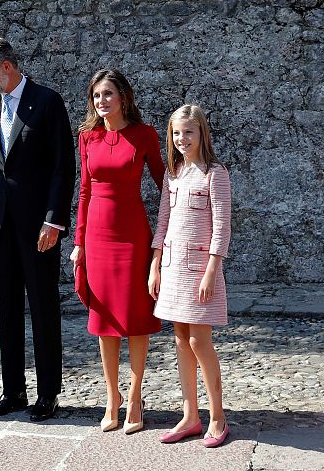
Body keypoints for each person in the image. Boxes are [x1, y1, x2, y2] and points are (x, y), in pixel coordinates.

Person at [0, 35, 75, 421]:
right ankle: (12, 391)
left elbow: (64, 167)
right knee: (7, 308)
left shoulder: (47, 101)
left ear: (6, 67)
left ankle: (48, 394)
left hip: (40, 227)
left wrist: (54, 220)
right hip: (1, 226)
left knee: (43, 307)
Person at [70, 69, 165, 435]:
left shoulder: (145, 135)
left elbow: (165, 184)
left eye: (108, 94)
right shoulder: (87, 136)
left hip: (133, 236)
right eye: (96, 96)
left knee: (137, 318)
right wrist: (78, 242)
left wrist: (167, 237)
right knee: (105, 322)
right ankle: (113, 397)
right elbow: (84, 191)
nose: (101, 101)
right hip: (96, 237)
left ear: (123, 97)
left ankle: (137, 395)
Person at [148, 104, 231, 448]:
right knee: (180, 339)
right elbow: (163, 221)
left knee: (200, 340)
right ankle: (190, 416)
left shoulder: (216, 173)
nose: (182, 139)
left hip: (200, 270)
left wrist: (212, 270)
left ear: (202, 134)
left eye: (189, 132)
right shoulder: (173, 173)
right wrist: (155, 264)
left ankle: (218, 416)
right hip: (172, 267)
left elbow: (222, 227)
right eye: (177, 133)